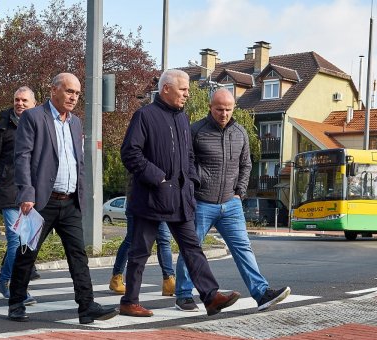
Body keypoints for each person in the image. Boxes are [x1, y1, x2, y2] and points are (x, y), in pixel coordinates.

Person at [118, 69, 240, 318]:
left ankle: (210, 297)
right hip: (150, 197)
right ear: (166, 89)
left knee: (193, 248)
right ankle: (129, 302)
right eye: (183, 89)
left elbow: (189, 155)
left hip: (181, 198)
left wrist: (192, 180)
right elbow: (130, 152)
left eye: (187, 90)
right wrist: (158, 178)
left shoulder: (183, 119)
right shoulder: (145, 115)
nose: (187, 94)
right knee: (140, 251)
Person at [7, 72, 118, 324]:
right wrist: (27, 193)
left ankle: (86, 307)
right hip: (41, 201)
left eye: (77, 93)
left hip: (69, 201)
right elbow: (22, 157)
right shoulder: (34, 117)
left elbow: (78, 161)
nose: (74, 97)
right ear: (53, 90)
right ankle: (16, 302)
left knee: (78, 255)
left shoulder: (75, 123)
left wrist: (82, 194)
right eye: (69, 91)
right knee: (27, 253)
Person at [174, 88, 291, 312]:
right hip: (201, 202)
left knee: (243, 248)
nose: (224, 113)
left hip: (231, 203)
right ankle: (184, 294)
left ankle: (261, 293)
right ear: (210, 107)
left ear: (234, 108)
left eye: (228, 109)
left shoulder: (240, 133)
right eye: (219, 109)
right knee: (191, 248)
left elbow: (246, 164)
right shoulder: (196, 131)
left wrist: (240, 192)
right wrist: (192, 190)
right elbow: (185, 163)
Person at [0, 86, 38, 305]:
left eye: (24, 100)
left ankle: (4, 282)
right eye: (16, 100)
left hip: (33, 192)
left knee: (28, 243)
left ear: (33, 104)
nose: (19, 103)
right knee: (16, 241)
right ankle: (13, 288)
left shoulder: (40, 125)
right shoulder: (1, 127)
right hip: (10, 190)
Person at [109, 185, 176, 296]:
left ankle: (169, 280)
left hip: (160, 202)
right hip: (138, 201)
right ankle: (116, 276)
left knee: (164, 240)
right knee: (131, 240)